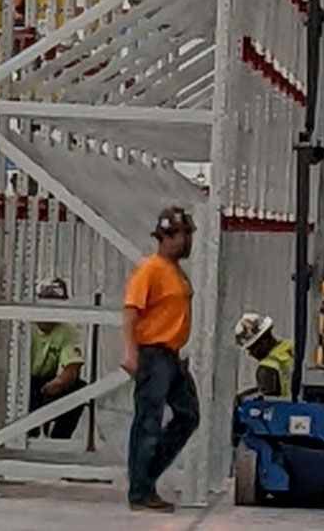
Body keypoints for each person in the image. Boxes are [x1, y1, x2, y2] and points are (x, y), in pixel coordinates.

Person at [122, 206, 198, 513]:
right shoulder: (150, 269)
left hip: (172, 355)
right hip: (154, 354)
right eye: (184, 235)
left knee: (188, 415)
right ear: (168, 236)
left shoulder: (175, 271)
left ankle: (146, 475)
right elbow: (130, 310)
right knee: (148, 421)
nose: (188, 241)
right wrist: (130, 352)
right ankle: (140, 490)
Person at [28, 277, 87, 439]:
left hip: (47, 382)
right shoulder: (24, 326)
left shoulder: (66, 331)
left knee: (80, 389)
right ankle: (27, 434)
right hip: (22, 382)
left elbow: (72, 367)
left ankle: (59, 438)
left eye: (56, 307)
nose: (50, 314)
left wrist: (60, 382)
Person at [233, 312, 293, 399]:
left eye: (252, 349)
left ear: (262, 342)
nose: (251, 354)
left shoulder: (267, 368)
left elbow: (266, 401)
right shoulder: (291, 346)